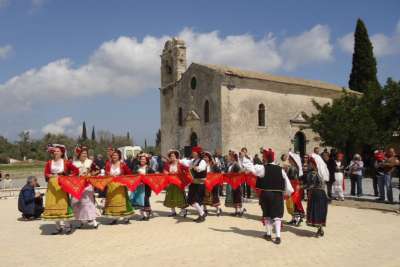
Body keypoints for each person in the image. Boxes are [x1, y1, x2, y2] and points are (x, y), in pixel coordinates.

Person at [248, 148, 293, 245]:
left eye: (264, 157)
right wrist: (288, 193)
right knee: (277, 216)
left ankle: (268, 234)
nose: (263, 158)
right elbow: (287, 182)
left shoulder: (263, 168)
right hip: (277, 195)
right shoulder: (280, 169)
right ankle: (278, 236)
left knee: (267, 214)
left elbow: (251, 168)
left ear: (267, 158)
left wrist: (245, 159)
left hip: (266, 194)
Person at [43, 144, 79, 235]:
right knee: (53, 205)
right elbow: (46, 173)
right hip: (52, 186)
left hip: (62, 186)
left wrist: (69, 177)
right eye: (54, 151)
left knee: (63, 205)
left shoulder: (66, 162)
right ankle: (58, 227)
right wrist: (49, 175)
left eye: (58, 151)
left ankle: (67, 227)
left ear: (62, 152)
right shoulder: (49, 162)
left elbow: (76, 171)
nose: (56, 152)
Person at [71, 146, 98, 229]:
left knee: (88, 203)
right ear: (79, 154)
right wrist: (76, 176)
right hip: (77, 185)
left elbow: (97, 170)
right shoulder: (74, 163)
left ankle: (93, 220)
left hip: (87, 185)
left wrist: (91, 174)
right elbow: (71, 173)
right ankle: (81, 221)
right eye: (83, 153)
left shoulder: (90, 162)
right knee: (77, 203)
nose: (84, 155)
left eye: (86, 153)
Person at [104, 150, 134, 224]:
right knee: (113, 202)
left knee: (123, 201)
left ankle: (126, 218)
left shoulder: (122, 164)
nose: (114, 156)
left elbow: (129, 173)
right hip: (111, 186)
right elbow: (106, 173)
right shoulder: (108, 164)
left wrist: (124, 179)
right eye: (113, 155)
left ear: (119, 156)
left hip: (121, 186)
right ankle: (114, 218)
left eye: (116, 155)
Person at [305, 155, 329, 237]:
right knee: (321, 211)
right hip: (322, 194)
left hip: (315, 194)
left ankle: (320, 229)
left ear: (314, 164)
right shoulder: (322, 173)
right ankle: (320, 228)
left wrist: (301, 187)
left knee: (315, 211)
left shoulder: (312, 174)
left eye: (310, 163)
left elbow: (310, 185)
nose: (309, 165)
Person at [183, 146, 207, 223]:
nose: (193, 153)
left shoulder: (202, 161)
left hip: (199, 184)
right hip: (194, 184)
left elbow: (200, 169)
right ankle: (201, 213)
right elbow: (185, 162)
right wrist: (178, 160)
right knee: (190, 200)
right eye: (193, 152)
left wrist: (194, 167)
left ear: (198, 153)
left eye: (194, 152)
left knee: (195, 200)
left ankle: (202, 214)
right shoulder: (193, 160)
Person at [163, 150, 189, 217]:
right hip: (170, 183)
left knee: (180, 197)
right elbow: (165, 171)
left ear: (176, 157)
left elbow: (187, 169)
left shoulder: (180, 164)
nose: (172, 157)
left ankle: (183, 210)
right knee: (170, 196)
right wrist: (168, 173)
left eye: (173, 156)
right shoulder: (167, 164)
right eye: (171, 156)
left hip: (178, 183)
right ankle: (173, 212)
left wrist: (180, 174)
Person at [131, 154, 154, 220]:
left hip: (146, 187)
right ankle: (142, 215)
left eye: (144, 159)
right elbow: (133, 174)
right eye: (141, 159)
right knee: (139, 200)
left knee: (146, 200)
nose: (142, 160)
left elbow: (152, 176)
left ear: (146, 160)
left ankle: (148, 215)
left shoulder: (149, 168)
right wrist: (137, 174)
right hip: (138, 186)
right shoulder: (136, 167)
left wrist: (145, 177)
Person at [285, 152, 305, 226]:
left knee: (294, 202)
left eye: (289, 158)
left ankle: (297, 219)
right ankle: (294, 219)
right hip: (293, 185)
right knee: (293, 202)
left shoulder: (293, 168)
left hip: (293, 186)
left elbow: (292, 178)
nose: (288, 159)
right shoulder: (293, 167)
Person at [225, 151, 246, 217]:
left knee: (237, 196)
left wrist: (235, 176)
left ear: (233, 157)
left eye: (230, 156)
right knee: (234, 197)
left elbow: (241, 171)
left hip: (236, 183)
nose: (229, 157)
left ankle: (240, 210)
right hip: (232, 183)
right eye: (230, 156)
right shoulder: (231, 164)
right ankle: (237, 211)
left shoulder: (236, 164)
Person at [202, 151, 222, 216]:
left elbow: (219, 172)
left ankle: (218, 209)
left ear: (209, 158)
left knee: (214, 196)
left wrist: (214, 179)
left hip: (213, 183)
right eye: (204, 157)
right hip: (205, 183)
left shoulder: (213, 165)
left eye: (206, 157)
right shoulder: (202, 165)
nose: (205, 158)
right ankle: (205, 209)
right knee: (204, 196)